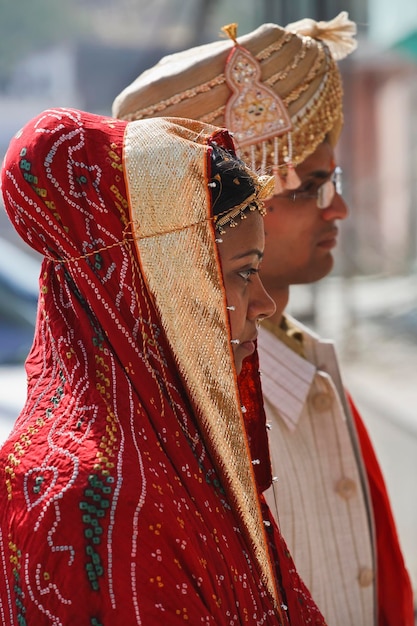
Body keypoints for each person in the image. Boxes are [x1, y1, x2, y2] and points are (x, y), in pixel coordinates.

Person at [112, 12, 415, 626]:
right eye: (312, 187)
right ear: (218, 209)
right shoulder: (186, 410)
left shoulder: (302, 361)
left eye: (335, 183)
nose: (340, 210)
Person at [0, 108, 333, 624]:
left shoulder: (182, 444)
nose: (264, 303)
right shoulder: (91, 498)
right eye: (244, 273)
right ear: (154, 286)